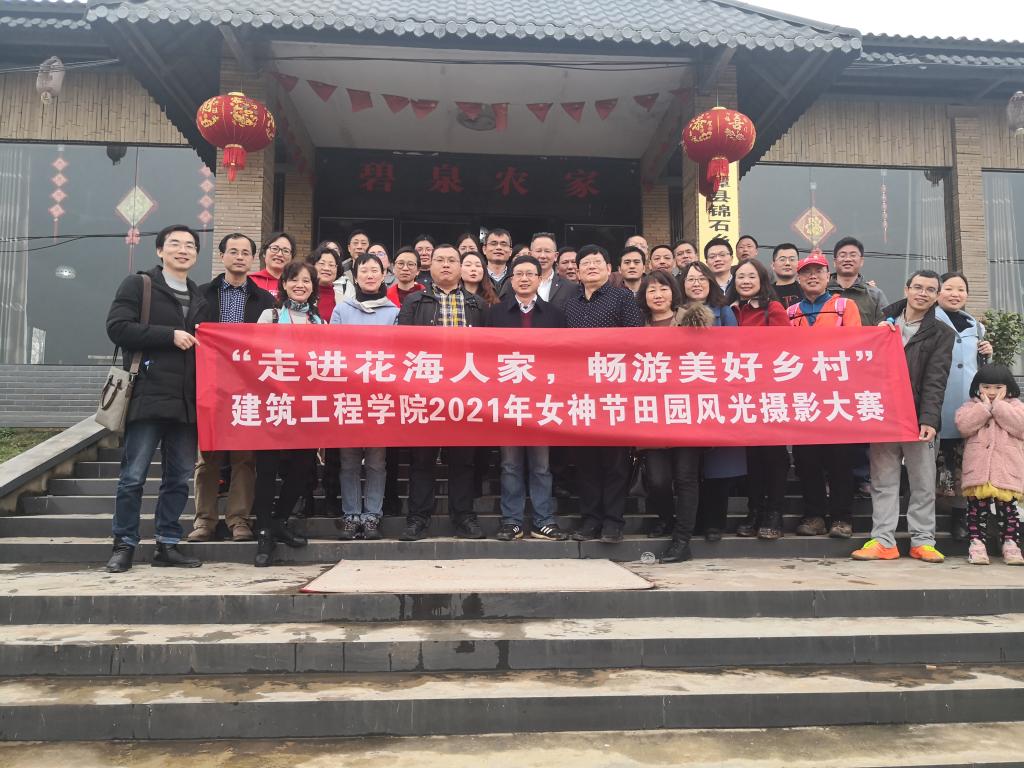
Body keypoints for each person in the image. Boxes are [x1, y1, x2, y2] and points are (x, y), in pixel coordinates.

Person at [104, 224, 208, 572]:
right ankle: (124, 544)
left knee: (178, 478)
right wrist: (168, 335)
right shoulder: (139, 285)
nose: (183, 250)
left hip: (187, 402)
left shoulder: (200, 297)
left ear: (196, 254)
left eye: (190, 245)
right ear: (160, 250)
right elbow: (117, 328)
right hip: (148, 394)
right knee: (133, 476)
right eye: (175, 244)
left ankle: (168, 543)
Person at [853, 269, 955, 564]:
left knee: (923, 482)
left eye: (930, 290)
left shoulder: (942, 333)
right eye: (918, 287)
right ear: (906, 289)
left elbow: (936, 379)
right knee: (883, 481)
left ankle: (923, 540)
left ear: (936, 296)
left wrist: (929, 419)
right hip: (883, 414)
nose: (923, 293)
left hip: (917, 418)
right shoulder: (881, 322)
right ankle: (883, 540)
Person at [189, 232, 275, 544]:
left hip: (248, 387)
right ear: (222, 256)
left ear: (253, 259)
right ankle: (204, 520)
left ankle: (239, 519)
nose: (239, 257)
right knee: (208, 457)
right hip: (210, 384)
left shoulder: (264, 300)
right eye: (233, 251)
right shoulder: (201, 295)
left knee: (244, 458)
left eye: (245, 253)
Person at [397, 245, 487, 541]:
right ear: (430, 266)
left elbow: (489, 351)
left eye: (452, 260)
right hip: (426, 390)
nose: (446, 265)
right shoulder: (415, 302)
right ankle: (417, 518)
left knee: (463, 459)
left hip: (466, 391)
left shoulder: (477, 304)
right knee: (422, 458)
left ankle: (464, 517)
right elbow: (402, 347)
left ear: (461, 267)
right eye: (440, 260)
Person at [485, 254, 570, 541]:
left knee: (541, 465)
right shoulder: (496, 314)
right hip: (507, 401)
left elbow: (563, 357)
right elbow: (486, 357)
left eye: (529, 274)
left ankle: (543, 520)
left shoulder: (555, 315)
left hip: (542, 401)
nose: (523, 279)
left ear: (539, 278)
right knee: (510, 464)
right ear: (511, 280)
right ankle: (512, 521)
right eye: (518, 274)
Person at [565, 244, 644, 544]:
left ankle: (613, 522)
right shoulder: (570, 304)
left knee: (615, 462)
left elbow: (635, 341)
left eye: (596, 262)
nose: (591, 267)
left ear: (609, 268)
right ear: (577, 271)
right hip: (580, 394)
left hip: (614, 393)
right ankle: (590, 520)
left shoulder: (622, 298)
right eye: (585, 263)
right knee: (585, 462)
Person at [787, 249, 862, 538]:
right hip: (803, 397)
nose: (812, 276)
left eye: (818, 271)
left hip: (836, 396)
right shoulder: (790, 313)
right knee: (807, 461)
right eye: (806, 273)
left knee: (840, 460)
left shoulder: (844, 306)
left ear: (827, 275)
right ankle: (814, 516)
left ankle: (842, 518)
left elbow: (855, 345)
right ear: (798, 279)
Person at [252, 261, 319, 566]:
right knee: (266, 469)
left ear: (313, 287)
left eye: (306, 281)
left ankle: (280, 520)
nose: (300, 285)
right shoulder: (269, 316)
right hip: (273, 403)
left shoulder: (319, 321)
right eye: (294, 279)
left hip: (306, 405)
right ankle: (264, 530)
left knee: (302, 467)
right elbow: (255, 353)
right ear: (284, 284)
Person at [329, 254, 401, 541]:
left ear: (384, 275)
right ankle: (351, 515)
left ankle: (372, 516)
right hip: (348, 393)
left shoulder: (394, 312)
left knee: (376, 461)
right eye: (364, 270)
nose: (370, 275)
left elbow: (398, 353)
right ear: (355, 276)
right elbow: (331, 349)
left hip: (381, 395)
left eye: (375, 270)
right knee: (348, 460)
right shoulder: (341, 310)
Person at [637, 270, 701, 563]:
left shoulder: (692, 322)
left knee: (686, 477)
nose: (658, 295)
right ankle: (667, 518)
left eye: (663, 288)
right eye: (651, 290)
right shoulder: (636, 327)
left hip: (686, 410)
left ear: (673, 292)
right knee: (658, 479)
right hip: (651, 413)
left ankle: (682, 540)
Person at [677, 261, 742, 540]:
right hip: (683, 397)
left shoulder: (724, 311)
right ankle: (692, 521)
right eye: (691, 279)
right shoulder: (675, 312)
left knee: (719, 465)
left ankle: (715, 523)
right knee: (688, 469)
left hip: (717, 394)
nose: (696, 284)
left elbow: (735, 350)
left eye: (702, 279)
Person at [726, 260, 791, 539]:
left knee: (774, 455)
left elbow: (785, 348)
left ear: (762, 280)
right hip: (741, 394)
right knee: (752, 457)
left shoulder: (772, 308)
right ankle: (754, 511)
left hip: (769, 391)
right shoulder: (730, 309)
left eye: (751, 276)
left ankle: (774, 512)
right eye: (740, 276)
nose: (745, 281)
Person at [934, 271, 993, 541]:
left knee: (963, 465)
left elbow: (982, 371)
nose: (955, 294)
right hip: (936, 405)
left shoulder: (976, 327)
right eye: (949, 288)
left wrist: (988, 354)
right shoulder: (928, 320)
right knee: (933, 464)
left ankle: (960, 517)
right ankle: (926, 519)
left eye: (961, 289)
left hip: (968, 408)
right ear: (938, 292)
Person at [955, 365, 1024, 565]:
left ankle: (1011, 544)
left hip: (1006, 469)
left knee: (1008, 510)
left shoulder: (1016, 406)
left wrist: (999, 406)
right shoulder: (971, 406)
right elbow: (963, 426)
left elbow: (1020, 427)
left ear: (1008, 387)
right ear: (977, 387)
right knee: (977, 509)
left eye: (997, 387)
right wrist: (985, 408)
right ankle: (977, 544)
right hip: (978, 469)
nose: (991, 392)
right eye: (986, 387)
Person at [504, 232, 578, 310]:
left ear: (556, 256)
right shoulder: (513, 283)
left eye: (547, 251)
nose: (543, 256)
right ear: (530, 254)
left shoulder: (570, 288)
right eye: (538, 251)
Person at [828, 236, 888, 326]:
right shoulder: (822, 292)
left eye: (853, 255)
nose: (847, 259)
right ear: (834, 262)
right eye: (842, 255)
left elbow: (885, 326)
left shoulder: (875, 295)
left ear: (861, 261)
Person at [249, 231, 296, 298]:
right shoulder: (250, 281)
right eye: (274, 249)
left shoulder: (296, 284)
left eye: (286, 251)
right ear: (264, 253)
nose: (279, 254)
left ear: (291, 257)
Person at [308, 245, 342, 322]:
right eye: (322, 263)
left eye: (331, 265)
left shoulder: (344, 300)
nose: (326, 268)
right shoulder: (303, 295)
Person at [771, 242, 803, 308]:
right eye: (782, 259)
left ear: (798, 264)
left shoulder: (806, 291)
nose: (787, 263)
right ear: (773, 265)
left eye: (792, 259)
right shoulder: (766, 293)